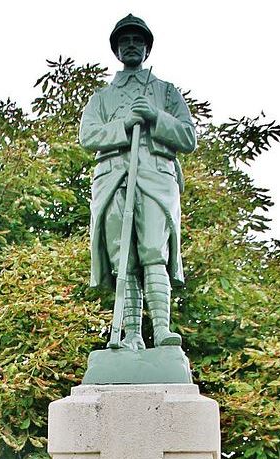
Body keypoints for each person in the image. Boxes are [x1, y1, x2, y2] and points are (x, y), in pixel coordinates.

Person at [79, 14, 196, 350]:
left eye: (137, 40)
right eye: (125, 40)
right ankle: (131, 335)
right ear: (116, 50)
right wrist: (124, 125)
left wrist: (155, 117)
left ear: (146, 47)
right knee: (123, 259)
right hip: (113, 176)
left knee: (152, 253)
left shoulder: (165, 93)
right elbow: (88, 136)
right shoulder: (101, 98)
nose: (131, 45)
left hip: (156, 176)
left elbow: (188, 137)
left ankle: (161, 330)